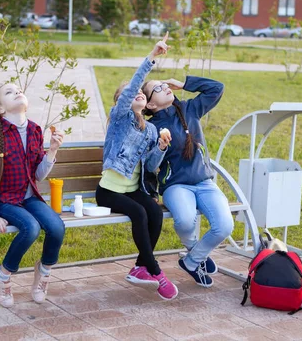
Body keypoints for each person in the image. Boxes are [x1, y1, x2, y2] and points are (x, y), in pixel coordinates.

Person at [96, 33, 178, 300]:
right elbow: (132, 87)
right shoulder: (119, 119)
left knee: (153, 211)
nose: (138, 95)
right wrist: (152, 56)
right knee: (139, 215)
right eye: (131, 94)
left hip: (133, 189)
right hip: (109, 191)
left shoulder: (152, 129)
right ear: (122, 101)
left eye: (141, 94)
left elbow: (152, 166)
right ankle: (154, 269)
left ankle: (140, 268)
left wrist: (162, 147)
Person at [0, 83, 65, 307]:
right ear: (0, 109)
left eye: (18, 90)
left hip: (29, 198)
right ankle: (2, 275)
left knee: (56, 227)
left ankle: (43, 271)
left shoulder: (35, 130)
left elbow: (38, 174)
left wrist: (52, 151)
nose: (17, 92)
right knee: (31, 228)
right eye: (9, 92)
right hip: (5, 200)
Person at [142, 72, 231, 288]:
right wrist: (161, 147)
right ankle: (196, 251)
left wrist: (185, 84)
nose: (164, 87)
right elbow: (150, 167)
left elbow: (217, 87)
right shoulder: (151, 128)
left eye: (164, 84)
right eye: (158, 88)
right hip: (176, 186)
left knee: (224, 226)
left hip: (204, 182)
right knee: (184, 219)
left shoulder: (190, 109)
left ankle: (191, 261)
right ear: (151, 105)